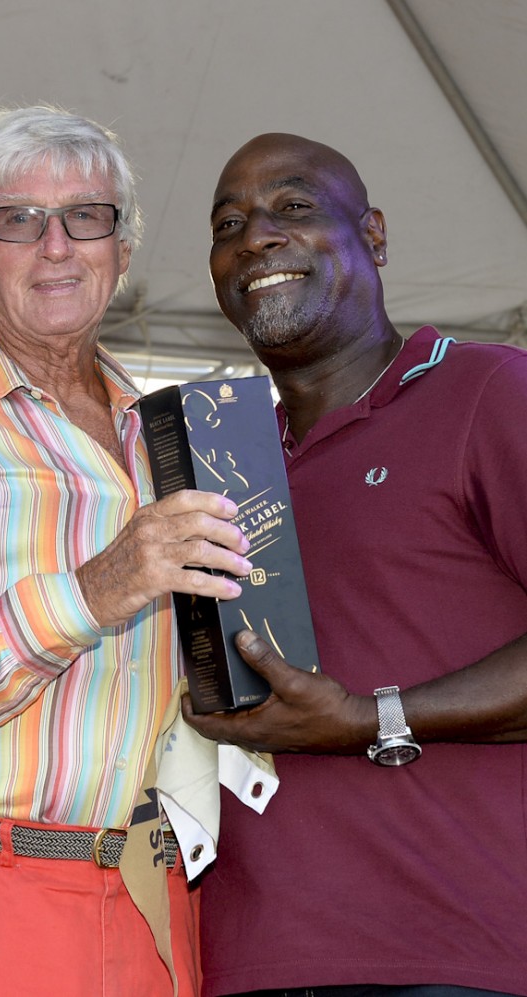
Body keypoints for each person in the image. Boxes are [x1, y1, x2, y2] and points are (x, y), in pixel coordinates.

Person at [0, 105, 253, 996]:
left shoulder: (185, 444)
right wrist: (86, 595)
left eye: (86, 216)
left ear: (119, 250)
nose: (56, 246)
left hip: (159, 899)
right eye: (17, 220)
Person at [183, 131, 527, 997]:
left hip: (450, 957)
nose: (255, 235)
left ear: (372, 235)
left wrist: (373, 718)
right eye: (228, 223)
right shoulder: (216, 469)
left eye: (293, 208)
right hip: (244, 961)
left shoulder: (486, 392)